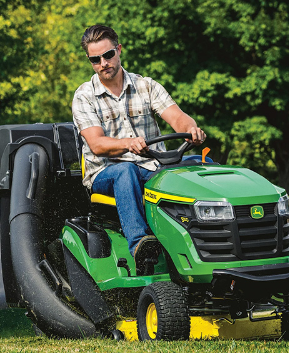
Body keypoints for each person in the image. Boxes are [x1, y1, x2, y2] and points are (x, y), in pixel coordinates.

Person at [72, 24, 206, 261]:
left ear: (119, 50)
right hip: (107, 173)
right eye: (95, 59)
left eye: (108, 55)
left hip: (153, 168)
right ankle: (140, 245)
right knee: (126, 170)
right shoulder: (84, 96)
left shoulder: (146, 86)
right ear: (90, 61)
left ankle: (210, 241)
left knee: (201, 165)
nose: (103, 63)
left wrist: (191, 129)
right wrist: (127, 143)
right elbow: (97, 145)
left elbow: (176, 117)